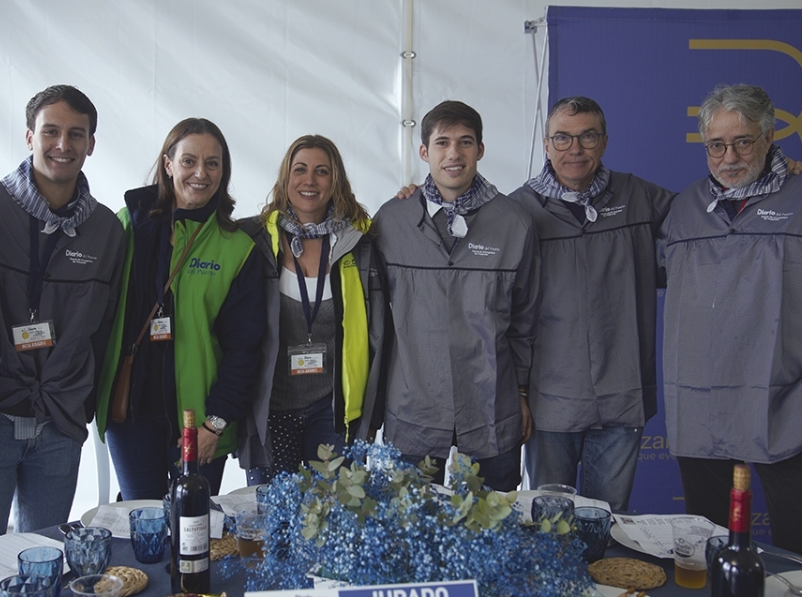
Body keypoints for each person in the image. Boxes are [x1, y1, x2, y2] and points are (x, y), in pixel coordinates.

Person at [659, 84, 802, 565]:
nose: (729, 156)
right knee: (710, 555)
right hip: (702, 413)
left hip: (788, 405)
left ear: (771, 136)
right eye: (717, 144)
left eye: (744, 141)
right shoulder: (684, 208)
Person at [0, 85, 126, 549]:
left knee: (42, 556)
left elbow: (105, 330)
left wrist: (81, 407)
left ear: (91, 144)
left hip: (59, 423)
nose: (63, 145)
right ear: (28, 136)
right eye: (52, 131)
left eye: (76, 134)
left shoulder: (105, 230)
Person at [508, 97, 673, 512]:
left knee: (606, 523)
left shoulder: (639, 197)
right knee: (547, 526)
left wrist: (777, 178)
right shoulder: (517, 211)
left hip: (621, 396)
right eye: (562, 138)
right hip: (549, 400)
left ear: (604, 142)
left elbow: (712, 221)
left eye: (587, 137)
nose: (574, 149)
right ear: (546, 145)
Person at [372, 100, 539, 491]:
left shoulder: (514, 223)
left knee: (490, 532)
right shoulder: (391, 221)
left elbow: (526, 319)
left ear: (480, 150)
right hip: (413, 409)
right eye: (442, 142)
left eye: (465, 143)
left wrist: (522, 392)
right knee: (409, 532)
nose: (454, 154)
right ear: (424, 152)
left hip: (490, 408)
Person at [98, 118, 264, 499]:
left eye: (212, 163)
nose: (200, 173)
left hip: (199, 421)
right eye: (189, 161)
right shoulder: (128, 225)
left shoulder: (237, 248)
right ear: (168, 164)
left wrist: (215, 424)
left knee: (193, 532)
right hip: (132, 414)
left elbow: (245, 347)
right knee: (140, 525)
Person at [235, 135, 387, 484]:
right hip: (270, 410)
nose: (309, 180)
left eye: (322, 171)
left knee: (331, 522)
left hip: (332, 412)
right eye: (300, 169)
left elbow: (380, 334)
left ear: (336, 182)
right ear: (285, 178)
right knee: (275, 522)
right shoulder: (253, 240)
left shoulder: (358, 245)